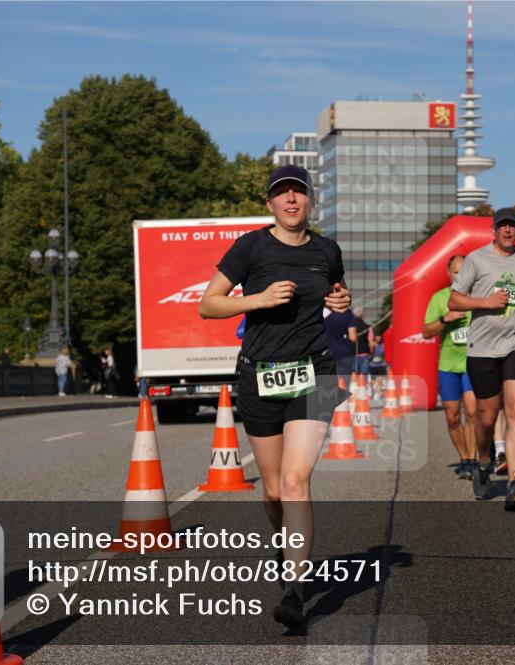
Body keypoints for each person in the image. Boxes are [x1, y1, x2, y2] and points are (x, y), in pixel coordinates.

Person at [199, 164, 351, 628]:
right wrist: (257, 300)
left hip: (314, 373)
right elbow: (208, 304)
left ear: (309, 201)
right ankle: (287, 541)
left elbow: (337, 293)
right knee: (271, 491)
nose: (291, 201)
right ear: (269, 203)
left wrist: (340, 303)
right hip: (260, 376)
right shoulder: (250, 247)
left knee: (294, 481)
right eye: (282, 195)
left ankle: (295, 589)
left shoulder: (327, 249)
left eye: (298, 194)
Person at [449, 207, 515, 509]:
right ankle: (482, 461)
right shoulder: (477, 259)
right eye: (502, 226)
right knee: (486, 417)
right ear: (493, 230)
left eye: (512, 227)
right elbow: (455, 299)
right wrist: (485, 302)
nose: (507, 231)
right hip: (483, 347)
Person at [422, 255, 477, 480]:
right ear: (449, 274)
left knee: (473, 413)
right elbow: (426, 332)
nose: (460, 276)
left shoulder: (479, 297)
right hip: (448, 365)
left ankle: (474, 460)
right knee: (453, 416)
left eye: (464, 271)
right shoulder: (440, 298)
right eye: (456, 272)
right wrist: (445, 319)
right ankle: (464, 458)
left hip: (474, 364)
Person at [324, 307, 356, 381]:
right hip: (344, 353)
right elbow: (353, 338)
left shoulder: (324, 312)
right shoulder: (348, 313)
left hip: (327, 354)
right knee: (345, 384)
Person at [351, 308, 373, 380]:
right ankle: (364, 390)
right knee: (364, 376)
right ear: (362, 315)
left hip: (353, 355)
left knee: (354, 375)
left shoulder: (350, 327)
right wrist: (371, 353)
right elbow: (371, 343)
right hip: (364, 354)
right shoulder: (368, 327)